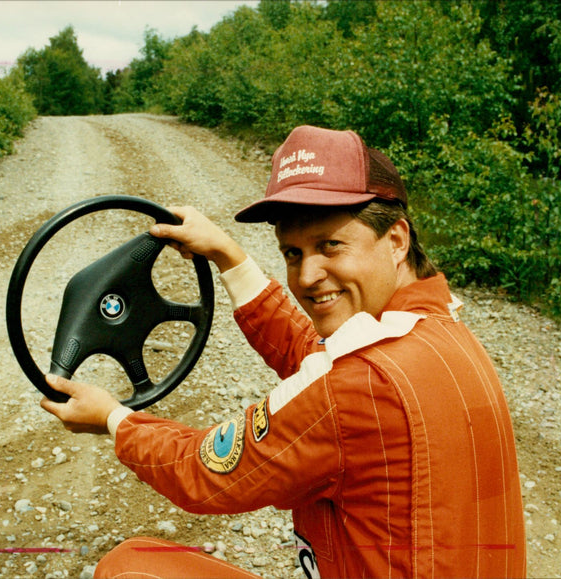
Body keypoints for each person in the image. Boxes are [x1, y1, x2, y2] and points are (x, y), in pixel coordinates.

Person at [40, 125, 527, 578]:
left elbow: (204, 473)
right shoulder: (434, 330)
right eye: (293, 253)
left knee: (132, 567)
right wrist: (230, 258)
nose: (307, 276)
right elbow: (318, 357)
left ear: (395, 239)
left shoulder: (360, 389)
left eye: (330, 245)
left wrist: (113, 420)